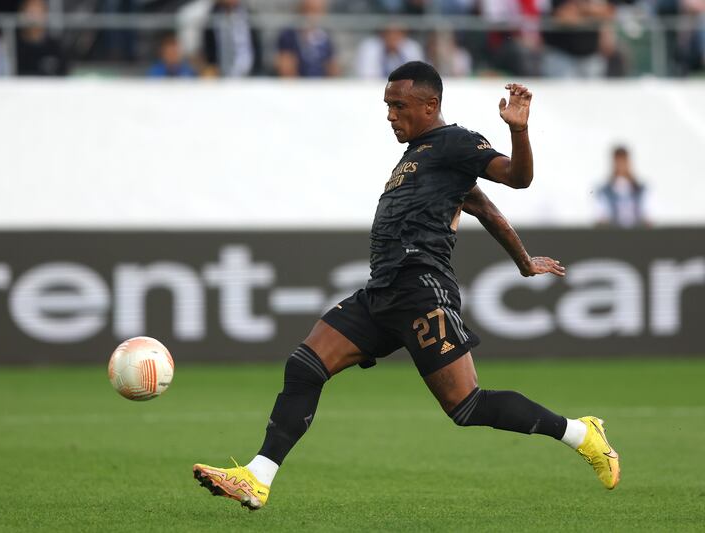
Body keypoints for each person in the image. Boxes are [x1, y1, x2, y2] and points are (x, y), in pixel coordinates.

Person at [193, 61, 620, 510]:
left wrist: (518, 131)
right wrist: (524, 261)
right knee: (305, 365)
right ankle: (258, 477)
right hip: (383, 291)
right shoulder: (419, 156)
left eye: (399, 105)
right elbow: (486, 210)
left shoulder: (456, 142)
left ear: (430, 103)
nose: (390, 115)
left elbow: (518, 178)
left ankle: (580, 432)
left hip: (421, 287)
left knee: (466, 406)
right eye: (387, 106)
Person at [275, 0, 338, 78]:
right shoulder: (289, 35)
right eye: (308, 10)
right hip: (299, 87)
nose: (311, 16)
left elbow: (332, 69)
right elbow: (286, 70)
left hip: (321, 86)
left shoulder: (325, 36)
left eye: (316, 11)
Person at [201, 0, 262, 77]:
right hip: (221, 75)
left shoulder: (248, 13)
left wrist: (256, 70)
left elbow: (257, 46)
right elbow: (209, 49)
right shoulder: (212, 15)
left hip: (248, 74)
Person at [596, 145, 650, 227]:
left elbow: (647, 217)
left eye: (623, 161)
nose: (621, 165)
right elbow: (602, 218)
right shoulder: (604, 191)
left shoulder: (641, 190)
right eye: (618, 162)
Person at [16, 0, 68, 76]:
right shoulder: (15, 47)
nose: (34, 16)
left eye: (38, 11)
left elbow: (65, 76)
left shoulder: (55, 47)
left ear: (46, 14)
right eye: (31, 11)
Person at [355, 24, 424, 79]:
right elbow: (366, 75)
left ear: (403, 34)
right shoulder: (370, 47)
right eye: (389, 32)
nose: (392, 37)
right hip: (375, 88)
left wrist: (398, 53)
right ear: (382, 33)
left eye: (397, 33)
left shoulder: (412, 47)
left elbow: (417, 75)